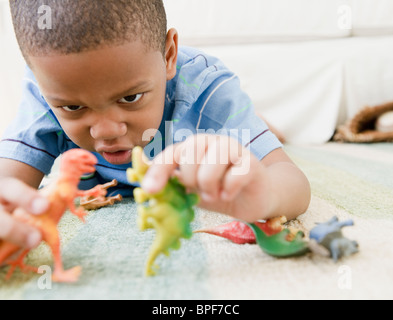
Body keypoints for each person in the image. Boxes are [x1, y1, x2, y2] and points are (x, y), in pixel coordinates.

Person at [0, 0, 310, 245]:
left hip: (208, 115)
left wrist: (266, 194)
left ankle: (259, 126)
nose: (107, 131)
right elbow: (7, 184)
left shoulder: (208, 91)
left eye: (131, 98)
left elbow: (294, 184)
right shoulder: (44, 95)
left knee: (242, 132)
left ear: (168, 55)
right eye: (73, 106)